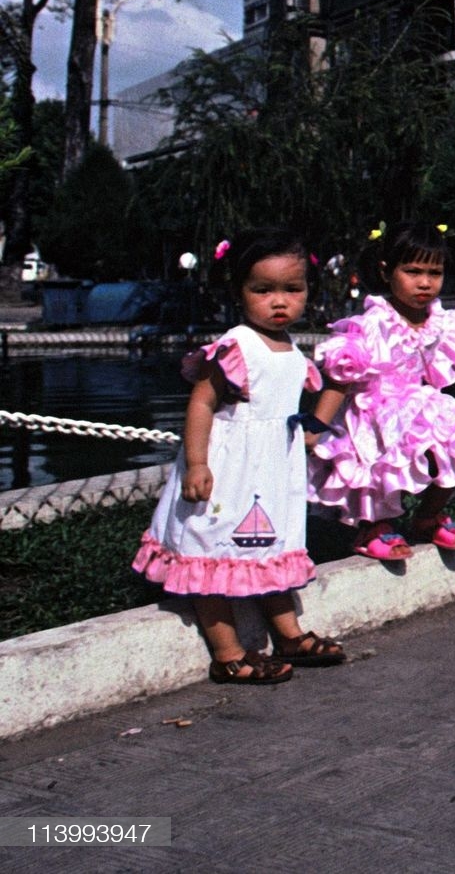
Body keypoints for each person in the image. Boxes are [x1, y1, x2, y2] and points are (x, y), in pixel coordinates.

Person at [132, 228, 347, 684]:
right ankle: (228, 652)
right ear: (239, 292)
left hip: (269, 474)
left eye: (292, 289)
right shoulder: (236, 347)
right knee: (213, 549)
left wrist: (307, 438)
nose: (279, 302)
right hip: (228, 473)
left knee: (269, 547)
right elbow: (201, 404)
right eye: (262, 290)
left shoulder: (292, 350)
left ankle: (287, 632)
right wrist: (197, 464)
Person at [309, 222, 455, 560]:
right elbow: (341, 377)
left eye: (435, 272)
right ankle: (375, 526)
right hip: (375, 409)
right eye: (413, 271)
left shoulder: (439, 322)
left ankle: (427, 517)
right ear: (387, 272)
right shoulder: (373, 324)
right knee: (379, 466)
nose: (425, 282)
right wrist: (316, 427)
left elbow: (443, 372)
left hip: (419, 405)